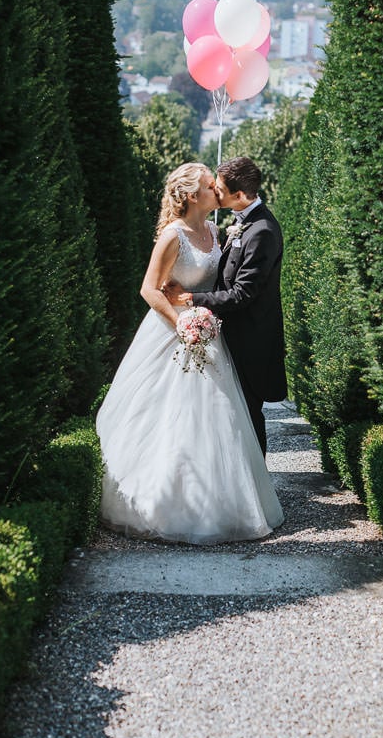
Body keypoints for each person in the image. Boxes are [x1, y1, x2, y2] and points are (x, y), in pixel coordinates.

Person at [95, 162, 283, 545]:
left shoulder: (215, 231)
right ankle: (166, 503)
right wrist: (180, 322)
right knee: (170, 420)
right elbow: (150, 289)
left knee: (219, 422)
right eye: (209, 185)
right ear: (194, 196)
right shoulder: (172, 235)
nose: (217, 188)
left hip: (210, 333)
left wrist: (197, 313)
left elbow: (229, 284)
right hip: (173, 333)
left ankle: (220, 503)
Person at [166, 156, 287, 454]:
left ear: (240, 196)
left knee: (247, 416)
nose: (214, 192)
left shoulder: (262, 232)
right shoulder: (241, 221)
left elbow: (242, 294)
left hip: (250, 341)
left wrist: (190, 298)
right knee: (228, 416)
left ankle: (256, 488)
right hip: (228, 336)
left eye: (218, 189)